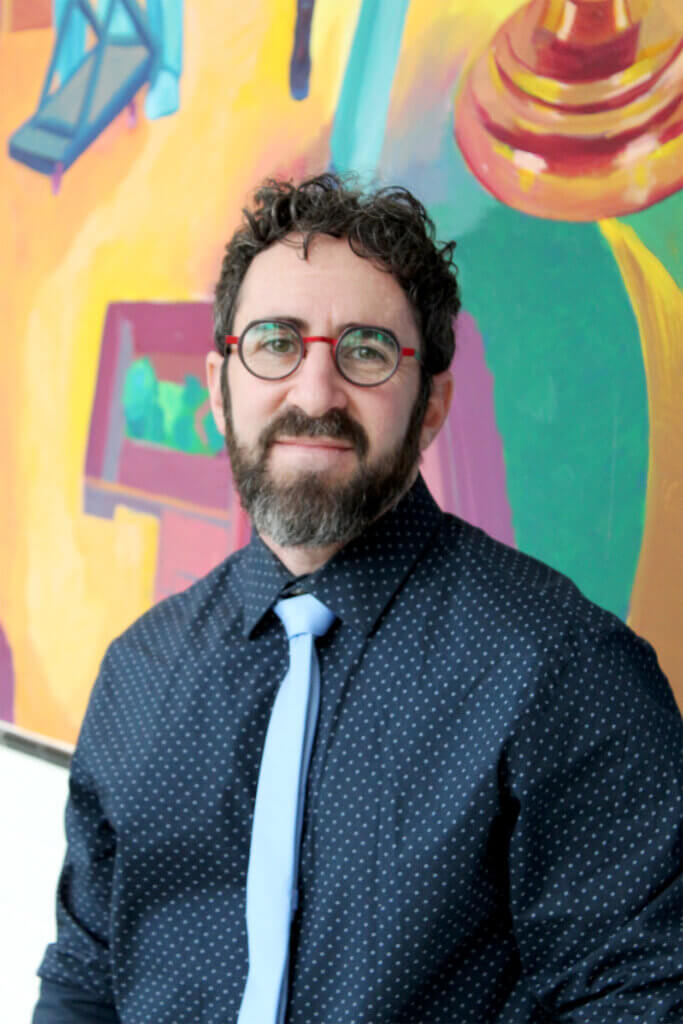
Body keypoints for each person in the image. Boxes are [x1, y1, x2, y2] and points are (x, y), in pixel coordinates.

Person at [33, 174, 682, 1023]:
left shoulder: (565, 673)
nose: (313, 394)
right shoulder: (138, 674)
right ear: (219, 388)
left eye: (366, 350)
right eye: (274, 342)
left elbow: (637, 999)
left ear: (432, 406)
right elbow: (86, 980)